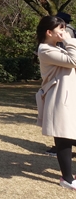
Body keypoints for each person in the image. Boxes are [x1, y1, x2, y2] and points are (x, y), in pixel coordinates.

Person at [36, 15, 76, 190]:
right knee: (63, 139)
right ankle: (67, 179)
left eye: (64, 28)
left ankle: (68, 177)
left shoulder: (57, 47)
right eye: (61, 28)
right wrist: (70, 41)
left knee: (66, 138)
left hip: (67, 97)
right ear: (49, 32)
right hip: (59, 98)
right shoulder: (45, 49)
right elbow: (74, 61)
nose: (64, 32)